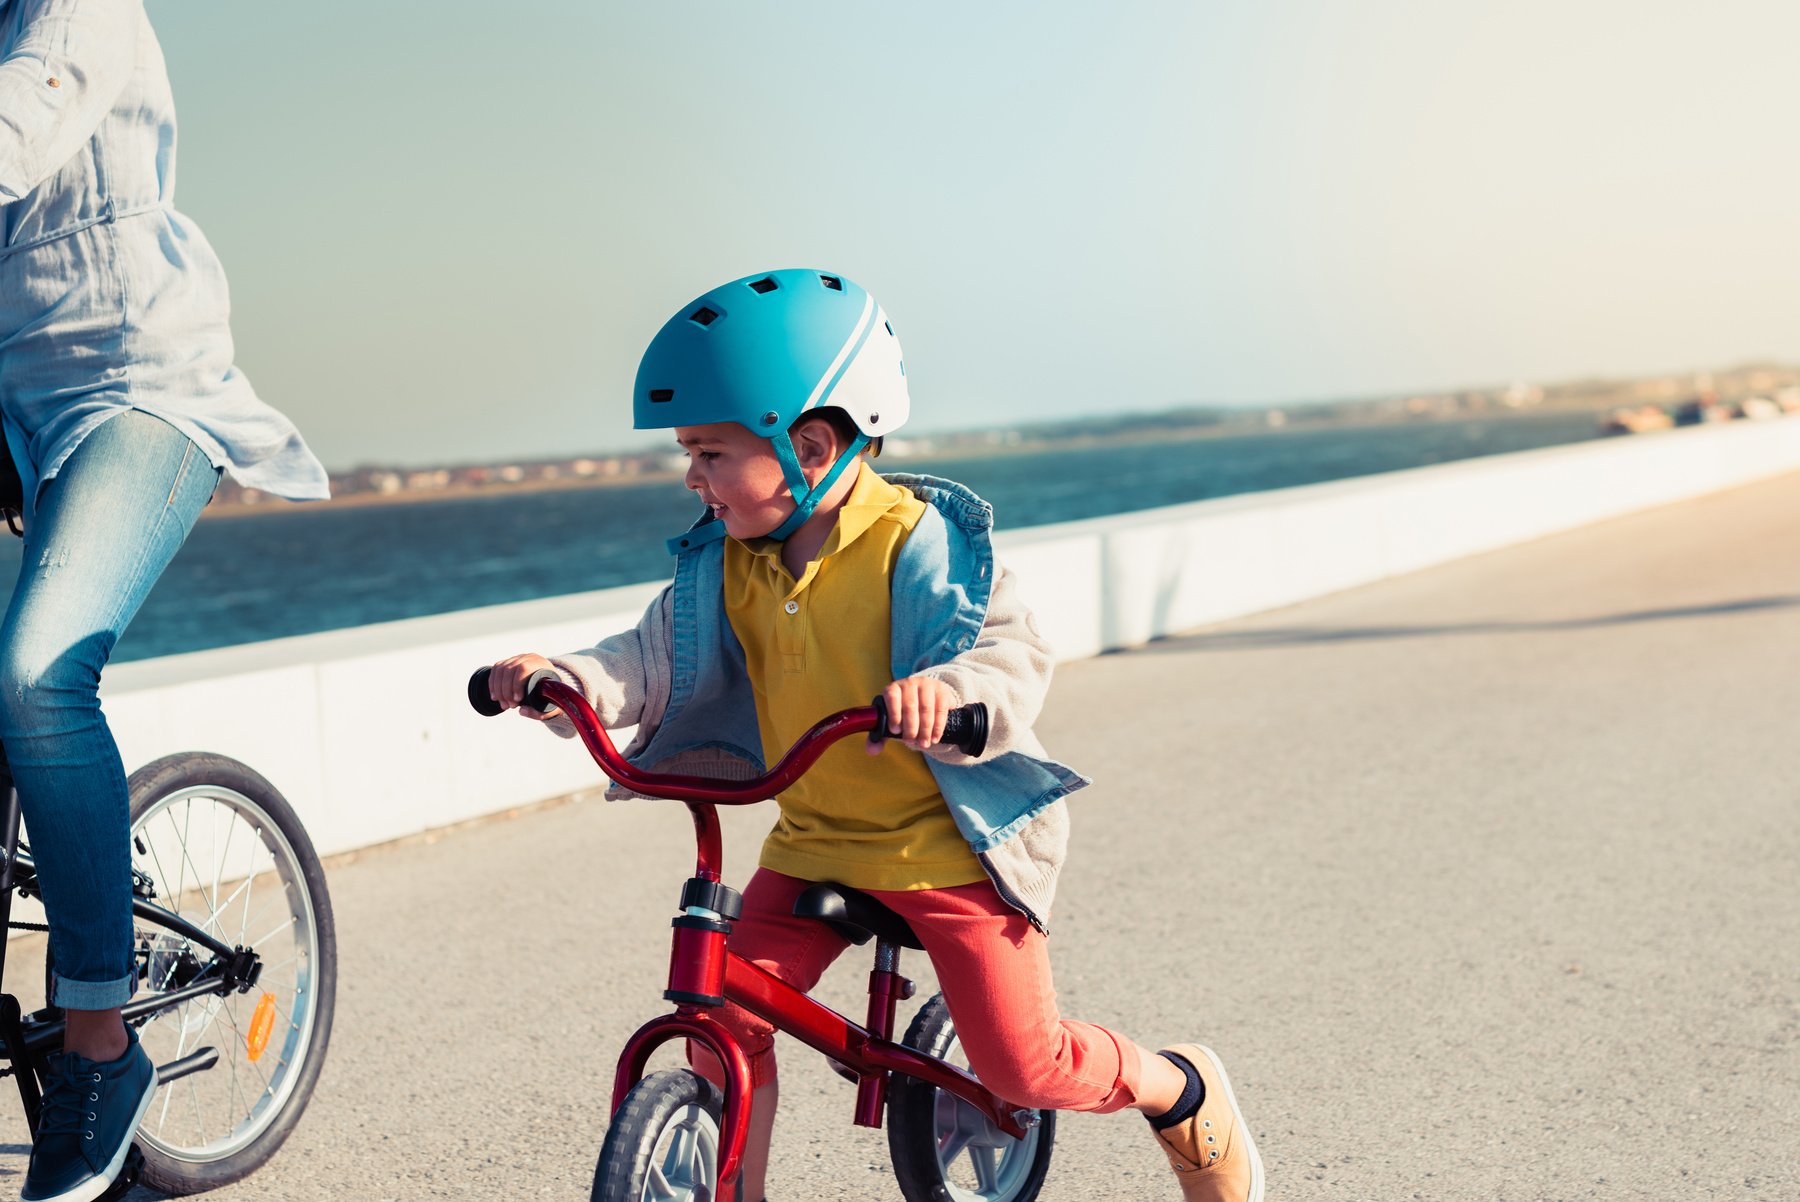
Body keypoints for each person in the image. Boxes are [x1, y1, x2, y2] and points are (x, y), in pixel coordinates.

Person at [487, 269, 1263, 1202]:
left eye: (710, 453)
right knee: (722, 1019)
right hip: (817, 841)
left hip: (951, 850)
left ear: (808, 445)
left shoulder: (922, 546)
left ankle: (1178, 1088)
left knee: (1024, 1069)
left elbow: (1011, 650)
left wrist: (951, 694)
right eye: (689, 455)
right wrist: (566, 681)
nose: (692, 478)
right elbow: (651, 655)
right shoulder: (727, 564)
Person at [0, 2, 328, 1198]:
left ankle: (100, 1043)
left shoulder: (76, 8)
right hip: (11, 407)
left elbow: (19, 125)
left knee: (38, 675)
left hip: (131, 382)